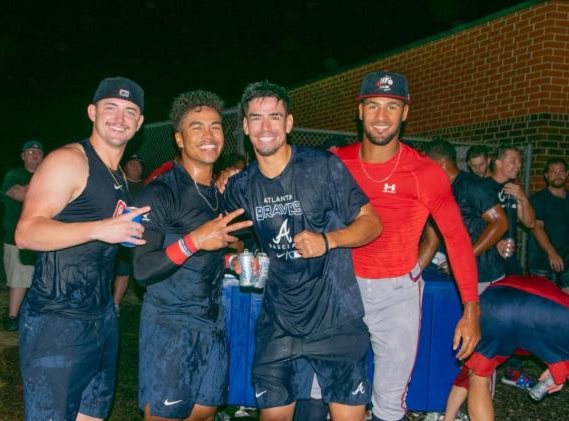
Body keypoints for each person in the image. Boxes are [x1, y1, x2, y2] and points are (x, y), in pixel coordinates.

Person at [224, 81, 382, 421]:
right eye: (256, 118)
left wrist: (328, 240)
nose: (266, 127)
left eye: (274, 117)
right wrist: (236, 256)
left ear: (289, 123)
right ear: (245, 125)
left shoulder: (322, 167)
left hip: (336, 321)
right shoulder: (240, 186)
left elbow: (372, 222)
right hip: (280, 323)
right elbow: (233, 238)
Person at [334, 71, 480, 421]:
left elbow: (457, 238)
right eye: (373, 106)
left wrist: (472, 310)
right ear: (360, 110)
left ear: (405, 113)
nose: (381, 116)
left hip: (396, 292)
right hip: (342, 289)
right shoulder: (336, 162)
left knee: (389, 401)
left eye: (391, 106)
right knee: (331, 392)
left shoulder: (425, 171)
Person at [14, 76, 150, 421]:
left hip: (101, 318)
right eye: (111, 108)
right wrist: (101, 229)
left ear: (139, 123)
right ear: (92, 112)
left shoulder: (118, 174)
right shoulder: (69, 161)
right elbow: (27, 233)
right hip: (56, 320)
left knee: (92, 415)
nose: (120, 118)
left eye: (130, 111)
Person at [132, 90, 252, 421]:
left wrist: (232, 261)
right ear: (179, 139)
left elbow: (211, 253)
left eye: (215, 126)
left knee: (204, 414)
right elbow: (142, 269)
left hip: (213, 324)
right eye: (196, 127)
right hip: (169, 326)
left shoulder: (220, 193)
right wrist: (194, 241)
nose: (208, 135)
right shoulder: (161, 191)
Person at [423, 139, 509, 421]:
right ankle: (453, 410)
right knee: (466, 349)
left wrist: (466, 256)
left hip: (485, 277)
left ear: (439, 164)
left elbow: (500, 222)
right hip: (464, 279)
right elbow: (435, 235)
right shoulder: (444, 190)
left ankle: (479, 409)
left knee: (482, 354)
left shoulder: (472, 185)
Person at [464, 276, 569, 421]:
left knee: (478, 377)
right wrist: (561, 367)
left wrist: (559, 367)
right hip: (542, 315)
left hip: (494, 304)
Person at [1, 140, 45, 331]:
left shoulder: (48, 175)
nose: (34, 155)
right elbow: (18, 194)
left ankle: (39, 316)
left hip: (45, 238)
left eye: (38, 152)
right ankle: (13, 316)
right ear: (22, 156)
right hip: (17, 237)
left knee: (43, 280)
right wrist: (47, 189)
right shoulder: (14, 175)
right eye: (30, 151)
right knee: (19, 279)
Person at [487, 146, 536, 276]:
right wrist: (494, 243)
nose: (518, 165)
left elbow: (530, 223)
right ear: (498, 162)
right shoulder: (483, 187)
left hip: (510, 261)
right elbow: (470, 224)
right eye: (513, 161)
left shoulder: (514, 189)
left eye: (519, 161)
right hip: (487, 260)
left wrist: (524, 199)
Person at [528, 158, 569, 294]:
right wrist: (552, 253)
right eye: (553, 172)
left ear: (567, 174)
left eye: (561, 172)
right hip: (543, 262)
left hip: (566, 262)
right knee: (545, 305)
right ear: (546, 175)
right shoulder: (538, 199)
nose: (558, 175)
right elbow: (537, 227)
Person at [112, 153, 146, 315]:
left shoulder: (149, 186)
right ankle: (115, 305)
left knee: (144, 270)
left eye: (138, 164)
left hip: (144, 236)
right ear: (125, 168)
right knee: (122, 271)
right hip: (123, 236)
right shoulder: (120, 186)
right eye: (132, 164)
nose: (136, 167)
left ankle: (147, 304)